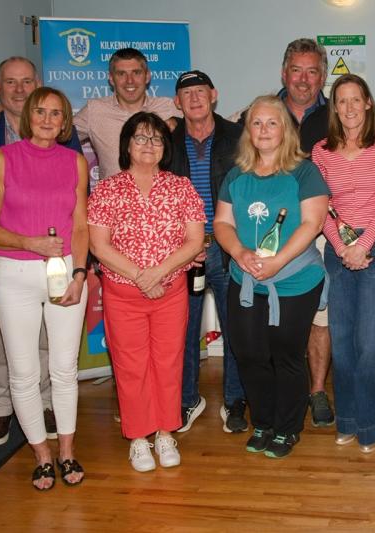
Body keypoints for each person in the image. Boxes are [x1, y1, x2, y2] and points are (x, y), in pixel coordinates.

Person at [0, 87, 89, 489]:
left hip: (65, 274)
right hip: (14, 275)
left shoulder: (75, 162)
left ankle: (66, 451)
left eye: (55, 113)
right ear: (28, 116)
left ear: (64, 123)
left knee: (64, 371)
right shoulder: (0, 160)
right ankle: (41, 454)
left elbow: (79, 225)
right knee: (23, 374)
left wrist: (80, 275)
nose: (46, 119)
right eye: (39, 111)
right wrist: (30, 243)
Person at [87, 112, 205, 472]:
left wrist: (158, 274)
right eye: (140, 138)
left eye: (156, 139)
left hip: (170, 291)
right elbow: (99, 246)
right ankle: (138, 439)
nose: (149, 145)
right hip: (124, 293)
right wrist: (141, 276)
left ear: (165, 147)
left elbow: (194, 240)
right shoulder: (107, 189)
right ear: (126, 145)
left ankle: (166, 433)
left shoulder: (181, 187)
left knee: (168, 362)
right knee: (131, 365)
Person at [215, 95, 329, 458]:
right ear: (248, 130)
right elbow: (221, 222)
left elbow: (313, 222)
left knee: (286, 355)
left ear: (286, 129)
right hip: (246, 279)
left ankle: (287, 427)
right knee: (249, 353)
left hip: (294, 279)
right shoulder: (236, 174)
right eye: (257, 123)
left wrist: (278, 261)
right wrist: (239, 252)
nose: (263, 130)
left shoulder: (305, 171)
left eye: (272, 122)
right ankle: (263, 421)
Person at [231, 38, 335, 427]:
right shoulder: (257, 113)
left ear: (322, 75)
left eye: (312, 71)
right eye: (297, 70)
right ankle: (267, 399)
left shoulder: (335, 116)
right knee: (262, 330)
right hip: (260, 234)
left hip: (317, 227)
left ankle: (317, 390)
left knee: (318, 322)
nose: (304, 79)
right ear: (283, 72)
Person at [312, 74, 375, 453]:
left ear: (367, 103)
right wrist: (342, 246)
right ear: (335, 108)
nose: (348, 108)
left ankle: (369, 422)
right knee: (343, 343)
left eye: (354, 100)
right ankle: (346, 419)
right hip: (337, 249)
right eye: (340, 101)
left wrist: (362, 245)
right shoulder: (320, 150)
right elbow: (321, 208)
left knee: (371, 343)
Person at [170, 70, 247, 434]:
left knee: (237, 330)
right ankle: (187, 400)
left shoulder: (237, 137)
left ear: (214, 95)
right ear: (177, 102)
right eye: (187, 93)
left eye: (201, 91)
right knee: (183, 331)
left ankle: (235, 401)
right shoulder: (166, 142)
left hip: (229, 248)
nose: (195, 98)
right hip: (184, 252)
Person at [74, 48, 180, 180]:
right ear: (111, 79)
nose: (130, 80)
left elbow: (203, 128)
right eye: (121, 74)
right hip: (111, 198)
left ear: (147, 76)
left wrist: (179, 122)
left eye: (136, 73)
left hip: (161, 198)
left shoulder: (169, 107)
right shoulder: (94, 110)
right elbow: (60, 135)